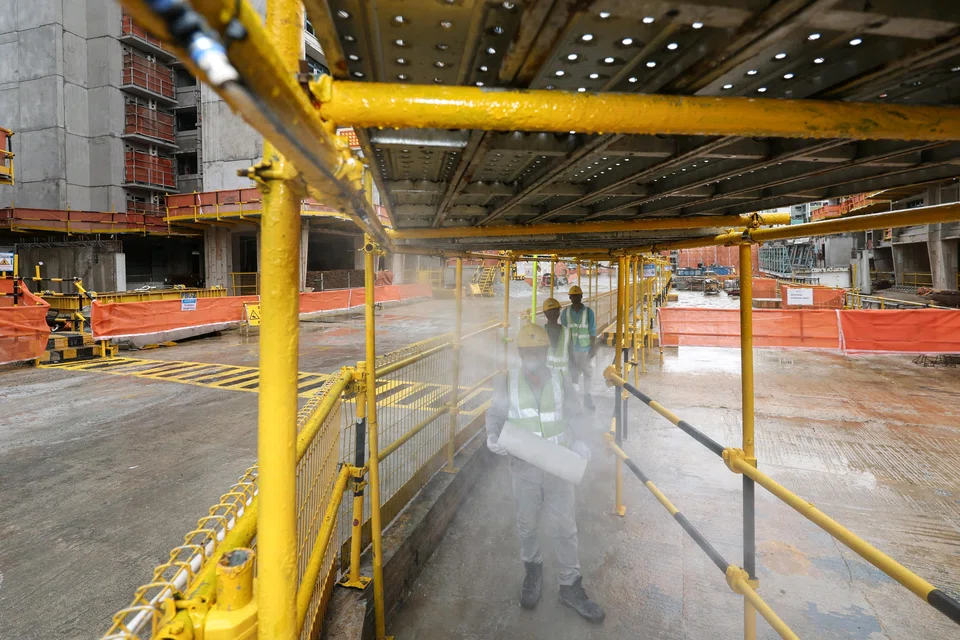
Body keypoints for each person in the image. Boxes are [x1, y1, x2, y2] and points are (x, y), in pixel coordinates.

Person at [486, 323, 605, 623]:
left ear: (545, 352)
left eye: (538, 350)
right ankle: (533, 572)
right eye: (528, 351)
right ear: (520, 352)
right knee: (526, 526)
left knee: (566, 528)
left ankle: (570, 585)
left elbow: (575, 413)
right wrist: (492, 436)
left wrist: (579, 440)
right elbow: (496, 414)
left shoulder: (560, 380)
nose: (533, 355)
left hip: (558, 466)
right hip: (524, 469)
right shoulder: (508, 381)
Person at [560, 285, 599, 410]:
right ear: (570, 297)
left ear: (581, 297)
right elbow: (563, 331)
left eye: (578, 296)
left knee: (587, 373)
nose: (575, 298)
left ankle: (587, 397)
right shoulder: (565, 313)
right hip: (570, 349)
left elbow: (592, 330)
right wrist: (566, 350)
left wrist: (593, 348)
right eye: (573, 296)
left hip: (584, 348)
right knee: (573, 373)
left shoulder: (588, 312)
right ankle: (575, 400)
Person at [541, 298, 570, 376]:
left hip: (563, 376)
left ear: (559, 313)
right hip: (546, 377)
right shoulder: (540, 332)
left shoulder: (567, 332)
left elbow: (572, 355)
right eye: (550, 312)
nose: (553, 314)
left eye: (555, 311)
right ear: (545, 313)